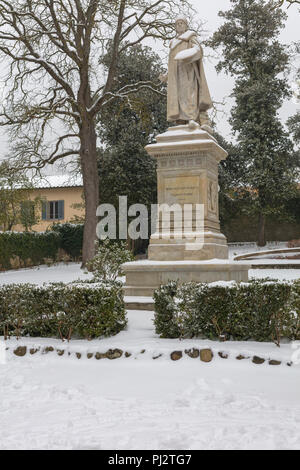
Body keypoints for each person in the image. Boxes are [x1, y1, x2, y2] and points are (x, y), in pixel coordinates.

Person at [160, 16, 213, 129]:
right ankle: (181, 121)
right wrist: (167, 76)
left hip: (188, 72)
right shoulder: (173, 43)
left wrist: (189, 54)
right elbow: (172, 63)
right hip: (176, 76)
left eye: (181, 23)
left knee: (190, 95)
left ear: (186, 25)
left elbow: (198, 50)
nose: (179, 25)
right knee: (178, 97)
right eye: (177, 23)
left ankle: (192, 119)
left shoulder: (190, 37)